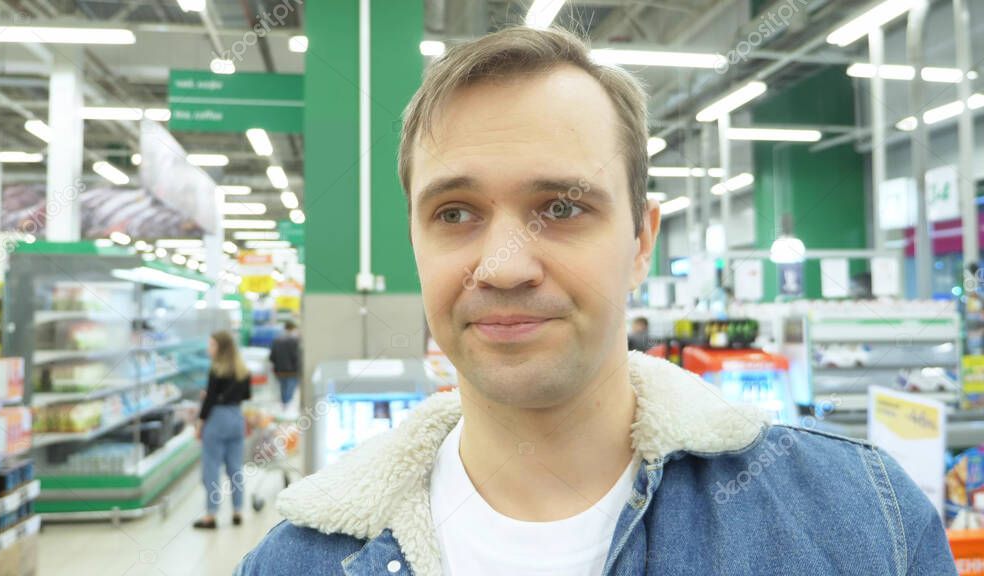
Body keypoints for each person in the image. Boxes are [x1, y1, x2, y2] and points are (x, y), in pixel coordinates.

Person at [236, 27, 955, 575]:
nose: (505, 267)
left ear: (642, 241)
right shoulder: (298, 560)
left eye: (562, 207)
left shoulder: (860, 523)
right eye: (455, 213)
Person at [194, 330, 252, 530]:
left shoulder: (216, 370)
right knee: (235, 468)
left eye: (212, 345)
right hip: (236, 418)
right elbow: (246, 395)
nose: (209, 349)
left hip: (217, 420)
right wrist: (226, 397)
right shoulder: (243, 370)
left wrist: (200, 423)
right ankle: (237, 511)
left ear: (221, 348)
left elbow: (209, 401)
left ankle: (211, 515)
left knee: (211, 468)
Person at [269, 320, 301, 410]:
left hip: (279, 371)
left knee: (283, 390)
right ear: (293, 329)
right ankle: (287, 410)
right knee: (290, 392)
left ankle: (284, 408)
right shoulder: (295, 341)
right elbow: (296, 357)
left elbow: (272, 357)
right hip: (292, 371)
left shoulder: (276, 340)